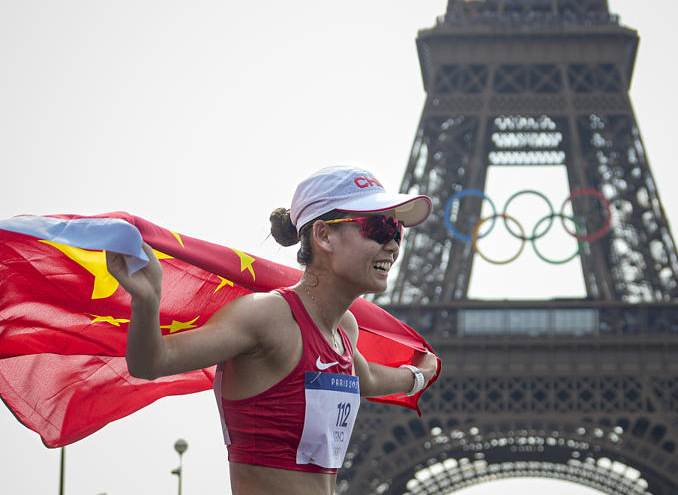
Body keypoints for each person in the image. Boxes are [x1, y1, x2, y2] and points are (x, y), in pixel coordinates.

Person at [105, 165, 439, 495]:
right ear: (323, 235)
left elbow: (366, 380)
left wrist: (419, 375)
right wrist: (146, 300)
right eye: (379, 227)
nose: (393, 245)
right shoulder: (268, 316)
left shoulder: (344, 328)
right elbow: (152, 362)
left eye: (397, 231)